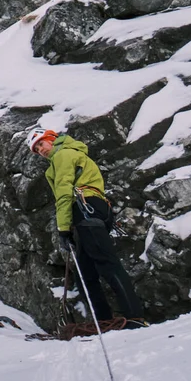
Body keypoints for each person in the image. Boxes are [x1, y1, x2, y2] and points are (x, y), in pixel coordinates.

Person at [29, 127, 147, 327]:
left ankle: (134, 318)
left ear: (52, 139)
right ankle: (104, 321)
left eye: (41, 143)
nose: (40, 150)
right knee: (85, 273)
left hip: (85, 207)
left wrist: (63, 229)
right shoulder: (68, 156)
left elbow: (64, 192)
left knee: (106, 264)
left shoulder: (64, 155)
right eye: (36, 149)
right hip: (91, 209)